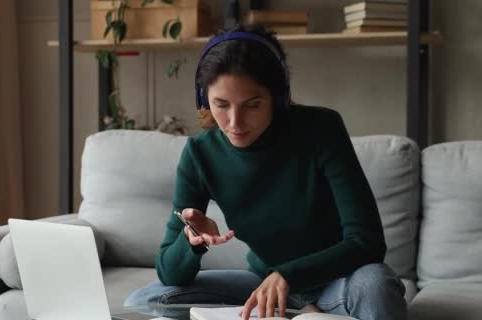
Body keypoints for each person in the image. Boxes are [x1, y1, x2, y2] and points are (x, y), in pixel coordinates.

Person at [123, 25, 407, 320]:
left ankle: (307, 310)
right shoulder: (199, 154)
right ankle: (299, 312)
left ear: (278, 97)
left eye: (252, 105)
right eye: (221, 105)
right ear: (204, 99)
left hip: (336, 281)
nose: (235, 122)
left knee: (376, 285)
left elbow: (367, 242)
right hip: (263, 286)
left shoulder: (322, 130)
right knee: (149, 298)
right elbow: (169, 272)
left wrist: (288, 275)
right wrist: (191, 241)